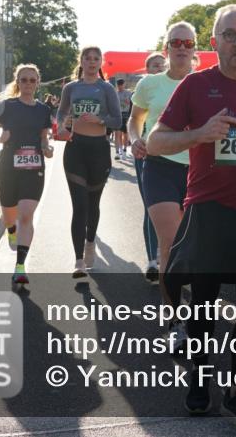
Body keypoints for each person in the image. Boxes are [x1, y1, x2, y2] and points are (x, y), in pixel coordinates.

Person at [149, 4, 236, 431]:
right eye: (229, 35)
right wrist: (200, 134)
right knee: (204, 304)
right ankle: (197, 379)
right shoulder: (196, 85)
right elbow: (156, 141)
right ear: (214, 43)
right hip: (208, 211)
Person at [128, 23, 196, 288]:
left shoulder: (205, 83)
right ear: (166, 48)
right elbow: (135, 119)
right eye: (175, 42)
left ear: (194, 49)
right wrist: (135, 139)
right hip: (159, 166)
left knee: (191, 243)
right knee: (169, 241)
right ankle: (173, 315)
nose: (181, 47)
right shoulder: (150, 83)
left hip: (199, 171)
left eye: (187, 43)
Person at [56, 47, 122, 278]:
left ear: (100, 62)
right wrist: (63, 127)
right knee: (80, 206)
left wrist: (99, 119)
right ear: (81, 61)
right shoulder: (71, 88)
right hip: (75, 150)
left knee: (93, 204)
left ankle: (90, 242)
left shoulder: (106, 88)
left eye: (96, 59)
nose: (92, 62)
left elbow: (117, 119)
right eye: (88, 58)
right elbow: (61, 112)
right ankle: (78, 261)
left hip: (99, 151)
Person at [0, 65, 53, 286]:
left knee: (26, 215)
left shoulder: (43, 110)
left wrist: (47, 147)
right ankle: (10, 229)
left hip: (34, 167)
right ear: (18, 82)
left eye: (32, 80)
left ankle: (20, 267)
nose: (28, 84)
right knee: (10, 216)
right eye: (24, 80)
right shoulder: (8, 106)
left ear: (37, 83)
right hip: (7, 167)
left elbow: (44, 137)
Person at [130, 51, 169, 281]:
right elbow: (135, 119)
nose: (158, 67)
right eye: (154, 65)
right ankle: (153, 260)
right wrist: (137, 140)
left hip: (176, 155)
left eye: (160, 64)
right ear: (147, 69)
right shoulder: (146, 88)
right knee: (149, 206)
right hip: (145, 153)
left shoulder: (176, 86)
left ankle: (171, 257)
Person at [115, 79, 133, 160]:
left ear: (124, 84)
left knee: (125, 135)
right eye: (119, 85)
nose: (120, 86)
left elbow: (133, 104)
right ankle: (118, 152)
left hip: (126, 115)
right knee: (117, 134)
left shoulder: (129, 93)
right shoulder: (115, 93)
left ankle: (125, 151)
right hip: (118, 115)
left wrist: (128, 103)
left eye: (121, 84)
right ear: (117, 85)